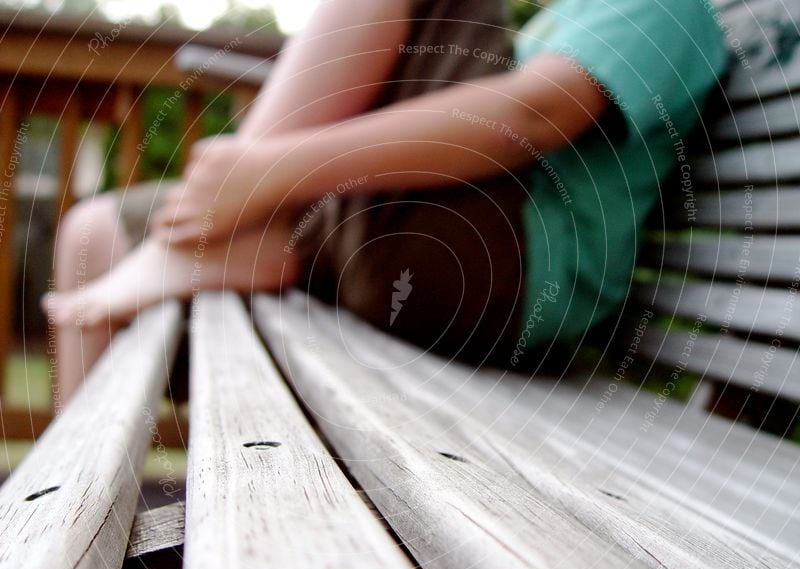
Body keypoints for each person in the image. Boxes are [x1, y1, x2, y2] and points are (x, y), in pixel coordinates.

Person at [45, 0, 729, 402]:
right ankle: (81, 539)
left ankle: (233, 225)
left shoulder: (664, 8)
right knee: (93, 233)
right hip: (410, 240)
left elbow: (537, 112)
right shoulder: (558, 19)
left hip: (495, 272)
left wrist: (268, 168)